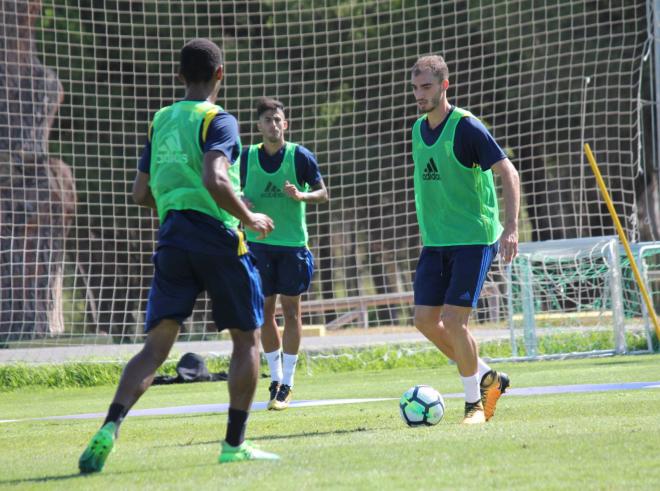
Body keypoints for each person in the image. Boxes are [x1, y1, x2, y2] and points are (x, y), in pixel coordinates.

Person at [78, 38, 279, 473]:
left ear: (179, 76)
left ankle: (111, 425)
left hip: (171, 238)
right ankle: (234, 444)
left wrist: (175, 208)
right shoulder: (218, 120)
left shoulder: (161, 119)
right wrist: (248, 216)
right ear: (220, 75)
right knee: (247, 340)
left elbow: (139, 193)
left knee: (154, 349)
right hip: (218, 237)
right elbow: (215, 178)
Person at [409, 55, 520, 424]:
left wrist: (511, 227)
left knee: (456, 322)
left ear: (444, 85)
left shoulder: (468, 127)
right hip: (435, 242)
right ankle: (488, 377)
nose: (419, 94)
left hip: (473, 239)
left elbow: (509, 171)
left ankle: (474, 404)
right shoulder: (417, 129)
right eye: (415, 87)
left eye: (426, 86)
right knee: (425, 320)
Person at [240, 97, 328, 410]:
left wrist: (302, 195)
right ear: (259, 125)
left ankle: (288, 382)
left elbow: (323, 192)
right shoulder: (246, 157)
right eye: (267, 120)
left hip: (293, 247)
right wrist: (241, 202)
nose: (273, 125)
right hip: (258, 245)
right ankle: (275, 378)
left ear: (285, 124)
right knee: (264, 313)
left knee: (292, 313)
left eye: (278, 119)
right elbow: (228, 189)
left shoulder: (299, 156)